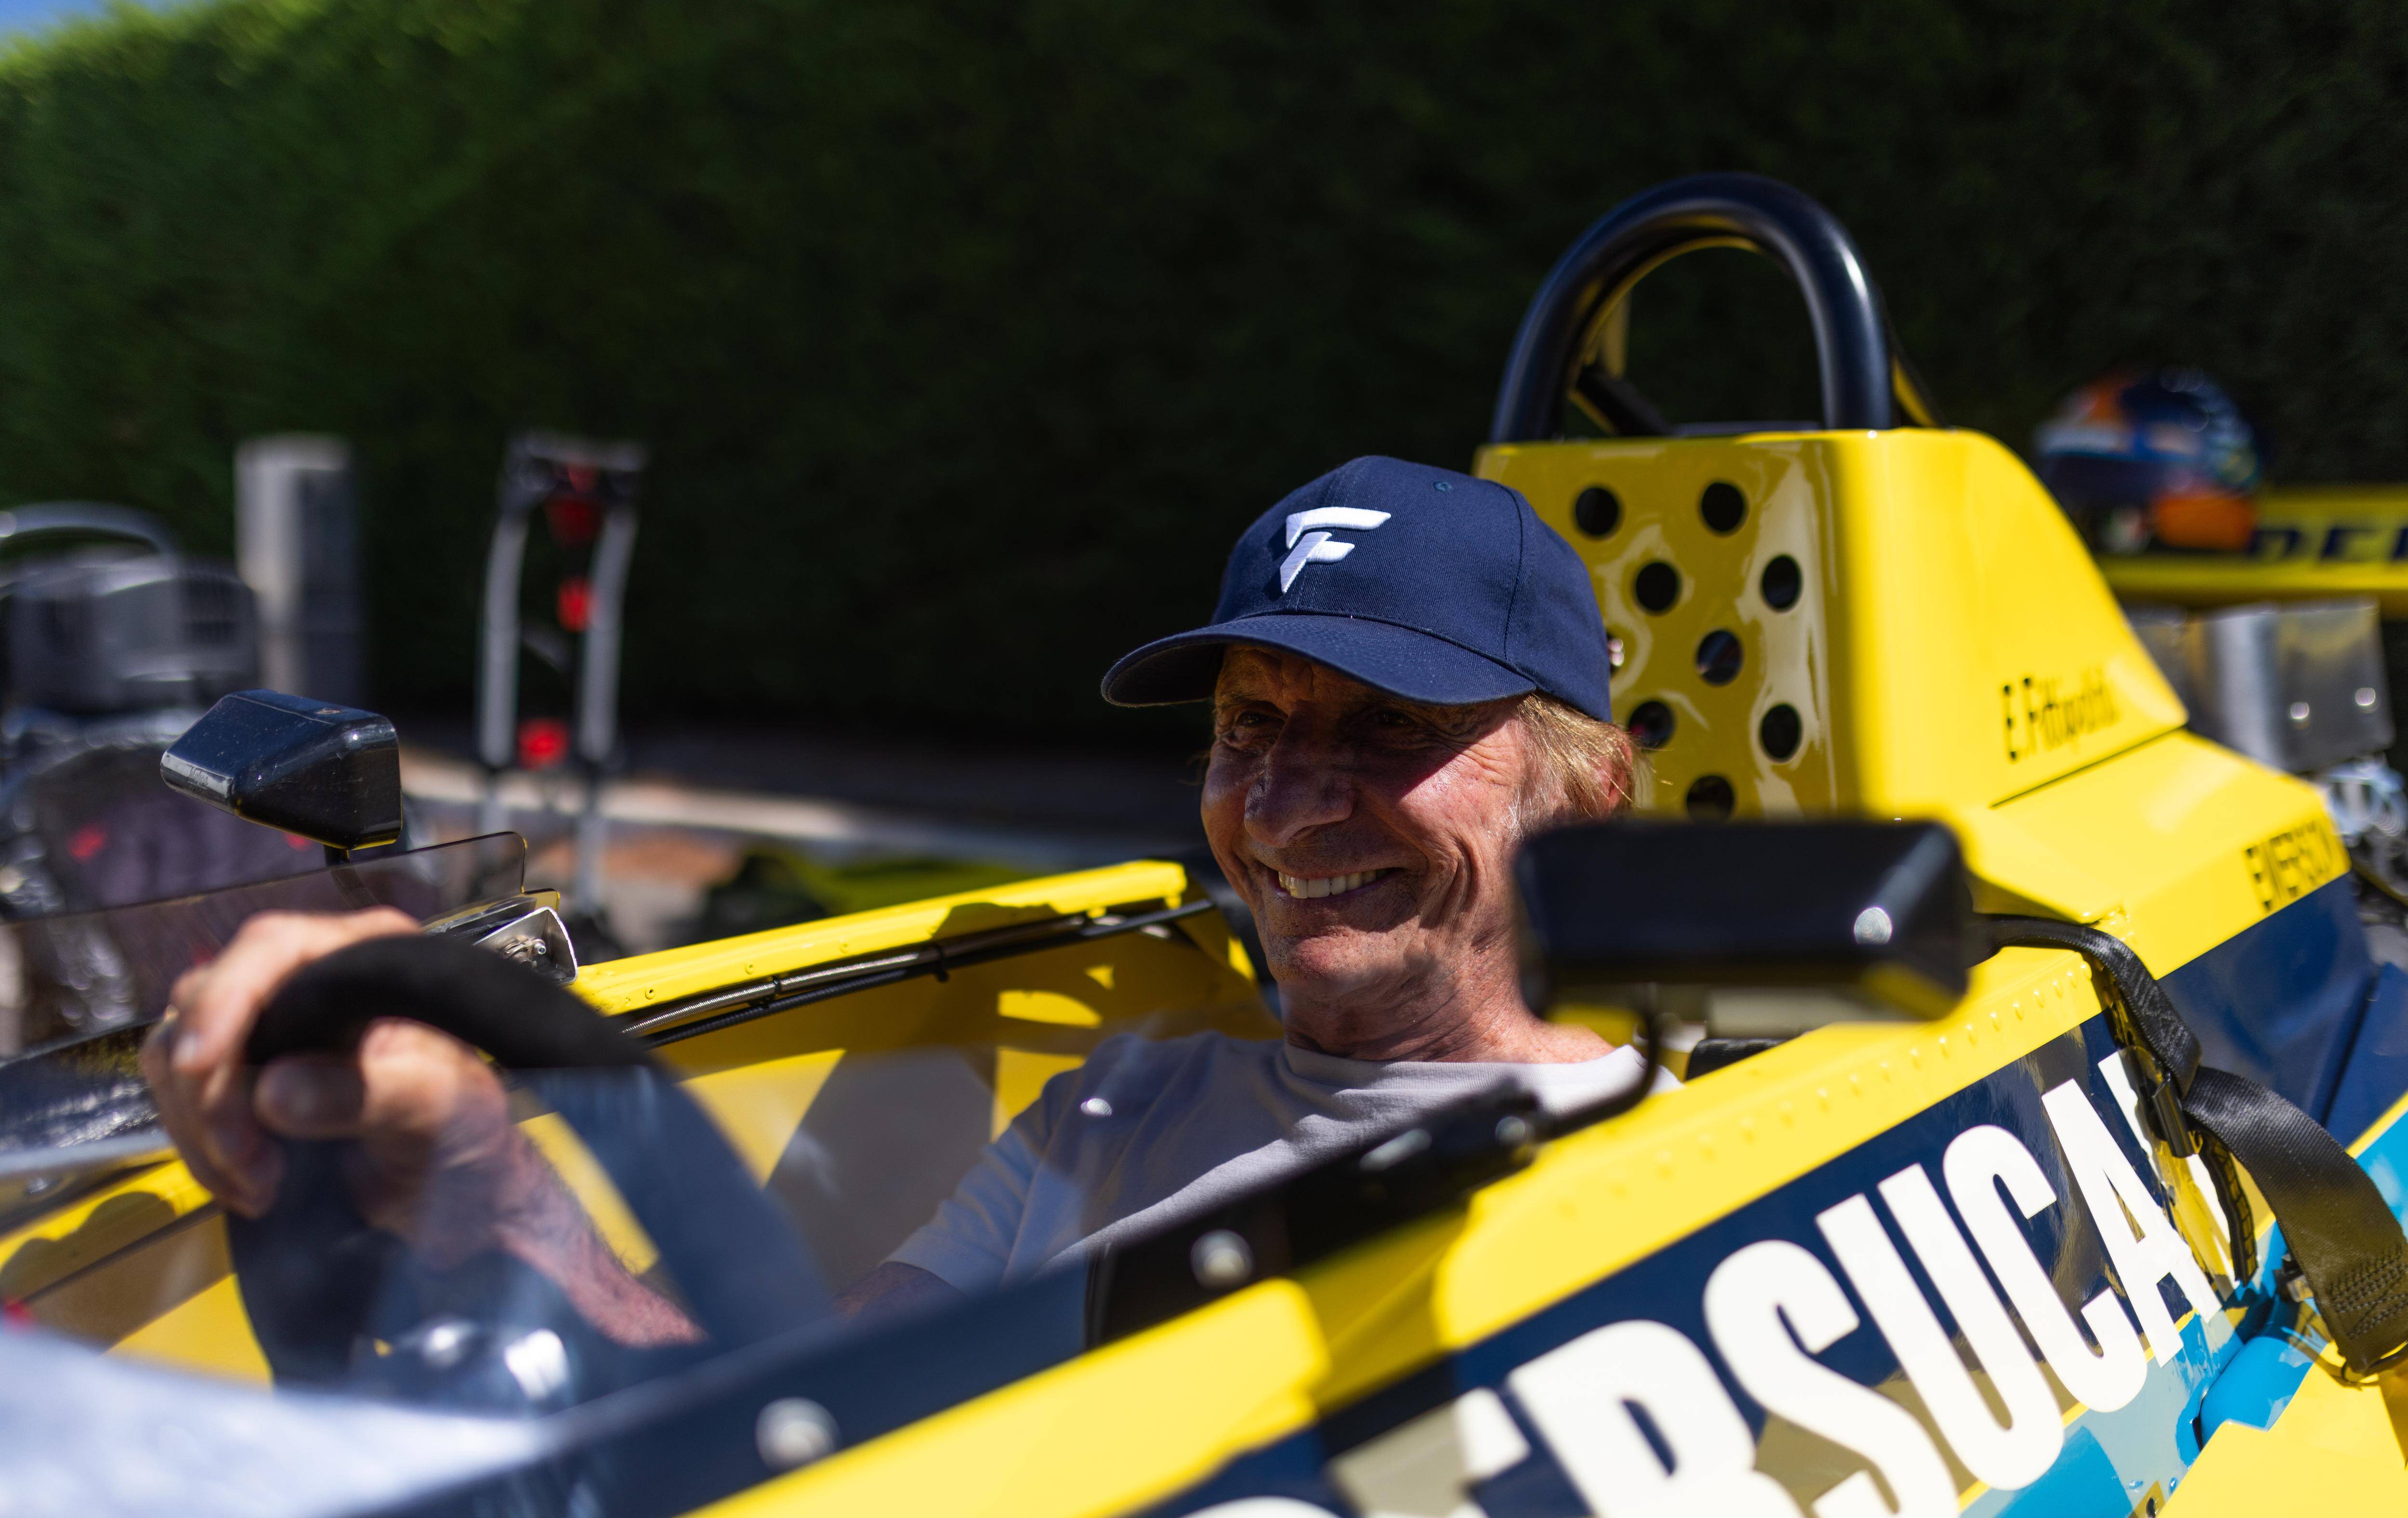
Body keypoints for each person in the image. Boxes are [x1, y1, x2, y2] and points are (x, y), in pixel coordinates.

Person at [142, 455, 1656, 1338]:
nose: (1283, 803)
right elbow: (804, 1429)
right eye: (1250, 725)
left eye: (1391, 727)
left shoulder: (1685, 1173)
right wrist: (488, 1190)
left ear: (1588, 789)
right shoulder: (1120, 1102)